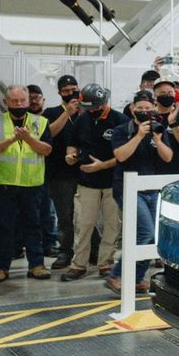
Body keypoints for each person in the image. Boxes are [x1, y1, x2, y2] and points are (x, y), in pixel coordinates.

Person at [103, 91, 173, 295]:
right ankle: (117, 275)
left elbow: (168, 157)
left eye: (148, 108)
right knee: (145, 232)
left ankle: (135, 278)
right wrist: (139, 135)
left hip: (151, 188)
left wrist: (158, 140)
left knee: (152, 236)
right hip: (127, 188)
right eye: (140, 108)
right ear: (132, 108)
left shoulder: (159, 129)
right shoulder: (121, 130)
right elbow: (120, 156)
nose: (144, 112)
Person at [0, 85, 53, 282]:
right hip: (2, 184)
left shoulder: (40, 122)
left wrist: (28, 138)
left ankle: (37, 265)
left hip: (31, 185)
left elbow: (47, 149)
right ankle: (1, 267)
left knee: (33, 225)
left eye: (22, 101)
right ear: (6, 102)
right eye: (14, 101)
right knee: (4, 226)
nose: (19, 104)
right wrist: (12, 139)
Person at [61, 84, 127, 281]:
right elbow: (72, 144)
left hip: (113, 182)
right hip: (86, 182)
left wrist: (102, 166)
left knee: (111, 225)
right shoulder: (82, 119)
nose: (89, 111)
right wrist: (70, 155)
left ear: (103, 102)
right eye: (86, 108)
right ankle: (78, 265)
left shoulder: (120, 120)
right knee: (83, 224)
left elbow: (126, 155)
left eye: (92, 108)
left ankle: (106, 264)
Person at [44, 75, 81, 270]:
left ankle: (90, 250)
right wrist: (66, 113)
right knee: (65, 215)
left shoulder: (86, 111)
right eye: (66, 90)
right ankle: (65, 251)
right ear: (59, 93)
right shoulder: (51, 112)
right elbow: (48, 133)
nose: (70, 93)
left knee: (86, 215)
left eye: (73, 89)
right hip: (59, 173)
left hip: (85, 172)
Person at [26, 84, 58, 257]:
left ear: (43, 99)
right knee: (22, 213)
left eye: (36, 97)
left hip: (46, 171)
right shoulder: (18, 120)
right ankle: (19, 245)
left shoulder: (50, 117)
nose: (33, 101)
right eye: (29, 98)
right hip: (21, 174)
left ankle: (49, 243)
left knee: (47, 210)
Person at [152, 80, 179, 174]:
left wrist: (173, 124)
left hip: (175, 171)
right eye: (163, 93)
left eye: (170, 93)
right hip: (150, 170)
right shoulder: (149, 116)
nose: (167, 95)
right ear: (155, 96)